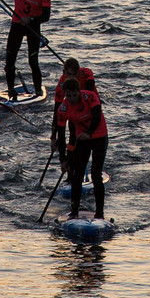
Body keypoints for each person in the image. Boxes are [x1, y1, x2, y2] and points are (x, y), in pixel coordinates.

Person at [53, 57, 108, 218]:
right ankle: (74, 212)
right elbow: (61, 135)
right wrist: (63, 159)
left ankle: (99, 214)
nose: (71, 99)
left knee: (96, 174)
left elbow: (97, 117)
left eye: (73, 95)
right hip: (81, 139)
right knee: (76, 175)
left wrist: (89, 133)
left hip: (98, 136)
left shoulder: (89, 97)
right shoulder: (63, 108)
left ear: (79, 92)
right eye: (68, 96)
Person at [6, 0, 51, 97]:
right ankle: (10, 90)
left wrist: (30, 19)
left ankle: (38, 90)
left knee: (33, 61)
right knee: (10, 59)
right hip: (17, 25)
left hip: (33, 27)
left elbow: (46, 16)